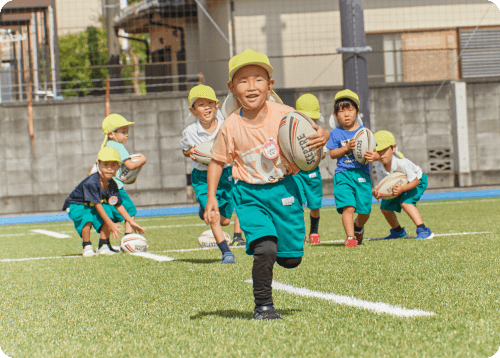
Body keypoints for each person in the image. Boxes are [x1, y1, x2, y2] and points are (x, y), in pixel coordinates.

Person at [205, 49, 330, 319]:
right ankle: (263, 305)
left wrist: (324, 134)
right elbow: (216, 162)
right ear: (232, 88)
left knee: (290, 259)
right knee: (265, 247)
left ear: (270, 85)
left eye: (258, 79)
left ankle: (287, 252)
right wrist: (212, 198)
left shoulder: (286, 116)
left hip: (285, 189)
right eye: (243, 80)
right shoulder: (230, 126)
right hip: (249, 194)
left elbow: (316, 133)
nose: (251, 86)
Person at [180, 84, 241, 264]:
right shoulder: (190, 132)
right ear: (193, 110)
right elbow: (185, 150)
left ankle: (203, 208)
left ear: (217, 105)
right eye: (201, 104)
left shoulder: (226, 126)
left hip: (226, 175)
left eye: (210, 103)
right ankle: (226, 252)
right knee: (214, 217)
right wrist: (191, 153)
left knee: (224, 222)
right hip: (202, 178)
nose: (206, 107)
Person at [63, 147, 145, 256]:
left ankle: (103, 245)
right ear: (98, 164)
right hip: (77, 204)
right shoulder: (92, 182)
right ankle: (87, 246)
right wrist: (110, 223)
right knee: (86, 218)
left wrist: (131, 221)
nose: (109, 169)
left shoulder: (112, 184)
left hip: (93, 204)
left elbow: (118, 205)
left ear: (118, 167)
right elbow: (97, 205)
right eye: (105, 165)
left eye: (113, 165)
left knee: (108, 212)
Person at [368, 130, 435, 240]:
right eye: (378, 152)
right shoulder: (379, 166)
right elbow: (384, 186)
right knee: (384, 208)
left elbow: (415, 181)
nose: (381, 155)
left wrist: (403, 189)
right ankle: (398, 232)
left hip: (417, 181)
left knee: (405, 203)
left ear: (393, 148)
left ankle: (423, 230)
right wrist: (378, 193)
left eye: (384, 150)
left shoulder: (401, 162)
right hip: (399, 186)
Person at [326, 89, 371, 248]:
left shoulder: (365, 132)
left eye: (350, 110)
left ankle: (358, 226)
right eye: (341, 111)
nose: (346, 114)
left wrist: (374, 156)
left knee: (365, 210)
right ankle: (350, 237)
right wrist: (346, 148)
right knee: (349, 206)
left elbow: (374, 153)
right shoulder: (336, 133)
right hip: (343, 175)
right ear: (336, 114)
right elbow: (332, 154)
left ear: (357, 112)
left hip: (361, 174)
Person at [101, 114, 147, 245]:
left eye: (127, 132)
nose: (126, 135)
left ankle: (104, 244)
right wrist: (143, 160)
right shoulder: (119, 147)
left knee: (109, 215)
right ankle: (128, 239)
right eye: (123, 132)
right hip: (115, 186)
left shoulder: (105, 147)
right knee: (130, 210)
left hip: (104, 186)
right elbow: (130, 165)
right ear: (111, 134)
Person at [294, 93, 327, 244]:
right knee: (298, 204)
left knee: (314, 205)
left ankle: (314, 231)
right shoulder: (292, 132)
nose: (310, 121)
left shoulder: (319, 133)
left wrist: (316, 153)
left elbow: (324, 154)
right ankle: (300, 233)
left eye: (312, 118)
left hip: (313, 173)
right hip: (296, 173)